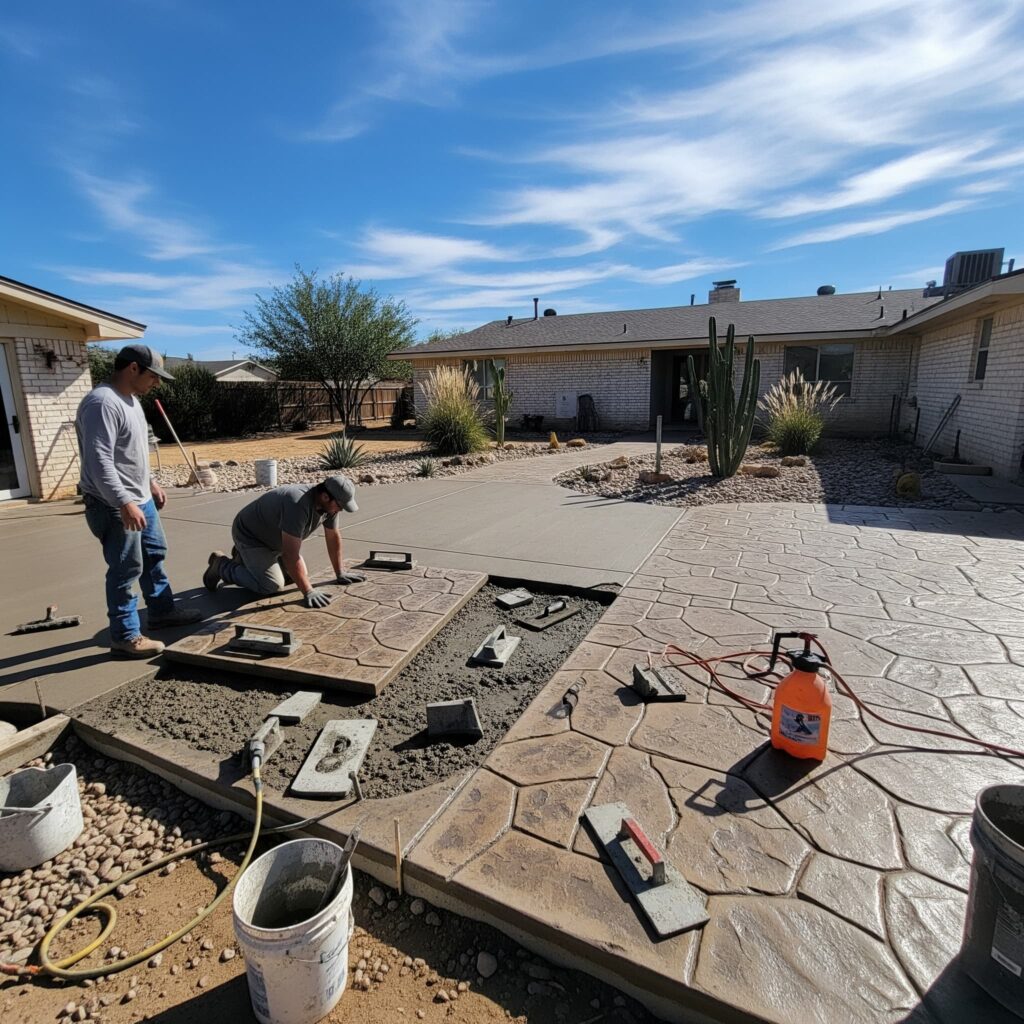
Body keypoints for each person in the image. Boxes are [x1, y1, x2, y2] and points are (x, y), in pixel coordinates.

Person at [75, 344, 202, 657]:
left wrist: (151, 483)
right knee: (125, 569)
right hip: (112, 504)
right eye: (153, 376)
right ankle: (125, 634)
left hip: (138, 497)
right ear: (133, 368)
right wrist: (123, 501)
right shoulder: (102, 403)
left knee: (154, 555)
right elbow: (100, 460)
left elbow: (133, 453)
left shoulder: (131, 401)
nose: (156, 383)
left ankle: (161, 611)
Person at [204, 476, 365, 605]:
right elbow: (290, 555)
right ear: (325, 496)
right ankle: (222, 565)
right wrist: (308, 591)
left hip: (274, 536)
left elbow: (332, 537)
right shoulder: (297, 504)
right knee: (271, 585)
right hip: (251, 536)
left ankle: (244, 559)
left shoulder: (329, 506)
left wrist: (340, 573)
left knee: (295, 576)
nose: (341, 510)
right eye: (340, 506)